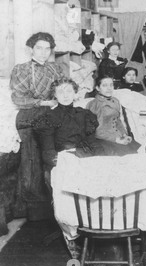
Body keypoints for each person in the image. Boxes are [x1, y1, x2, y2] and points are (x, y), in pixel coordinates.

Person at [10, 32, 65, 220]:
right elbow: (18, 98)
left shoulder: (56, 69)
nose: (43, 52)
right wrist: (42, 103)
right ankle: (35, 209)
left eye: (47, 48)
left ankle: (59, 204)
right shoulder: (22, 69)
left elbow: (63, 89)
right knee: (32, 160)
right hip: (29, 117)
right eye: (39, 48)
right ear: (31, 49)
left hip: (51, 115)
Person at [31, 77, 104, 179]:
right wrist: (67, 164)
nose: (65, 95)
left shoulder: (84, 114)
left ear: (75, 93)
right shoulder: (48, 118)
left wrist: (100, 160)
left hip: (85, 157)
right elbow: (48, 153)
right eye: (60, 92)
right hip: (63, 161)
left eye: (69, 91)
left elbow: (93, 143)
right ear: (55, 95)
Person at [87, 76, 141, 156]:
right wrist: (117, 140)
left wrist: (124, 135)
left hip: (118, 137)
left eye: (111, 85)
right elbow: (96, 130)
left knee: (139, 151)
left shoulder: (115, 101)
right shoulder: (94, 104)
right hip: (102, 139)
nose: (109, 88)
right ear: (98, 88)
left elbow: (118, 121)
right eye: (105, 85)